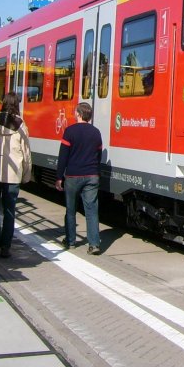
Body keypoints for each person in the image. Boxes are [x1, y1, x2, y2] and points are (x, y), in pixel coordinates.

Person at [0, 92, 31, 258]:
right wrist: (26, 174)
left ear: (3, 102)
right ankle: (6, 246)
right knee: (10, 210)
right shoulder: (20, 124)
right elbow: (26, 153)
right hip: (13, 175)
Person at [55, 101, 103, 255]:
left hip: (73, 176)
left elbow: (63, 156)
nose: (74, 114)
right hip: (91, 176)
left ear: (79, 114)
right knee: (91, 211)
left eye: (76, 112)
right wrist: (95, 170)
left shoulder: (70, 131)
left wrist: (59, 177)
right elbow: (99, 154)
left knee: (71, 210)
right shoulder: (96, 132)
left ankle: (70, 241)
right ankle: (94, 244)